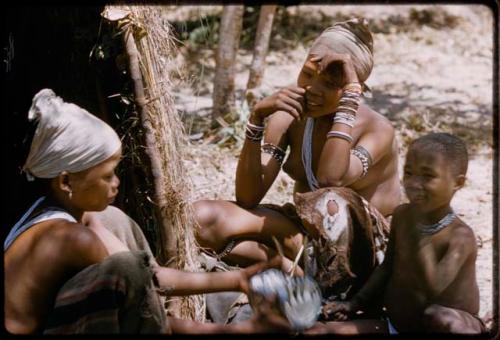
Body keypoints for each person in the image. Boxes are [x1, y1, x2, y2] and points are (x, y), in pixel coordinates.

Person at [4, 89, 289, 334]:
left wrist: (238, 279)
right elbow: (147, 300)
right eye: (107, 176)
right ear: (66, 181)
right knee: (127, 269)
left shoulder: (64, 213)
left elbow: (150, 278)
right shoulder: (74, 240)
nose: (116, 184)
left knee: (112, 223)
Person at [194, 18, 400, 269]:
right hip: (304, 233)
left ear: (353, 89)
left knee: (331, 204)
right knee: (202, 221)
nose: (313, 88)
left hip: (362, 252)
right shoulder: (291, 116)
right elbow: (248, 197)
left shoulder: (378, 130)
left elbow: (329, 182)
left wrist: (349, 101)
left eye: (331, 83)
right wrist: (256, 119)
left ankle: (287, 265)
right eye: (308, 74)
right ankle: (292, 267)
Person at [307, 133, 486, 334]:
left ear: (458, 183)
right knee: (317, 331)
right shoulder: (402, 215)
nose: (414, 183)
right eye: (409, 173)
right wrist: (354, 304)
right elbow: (387, 266)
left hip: (446, 328)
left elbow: (433, 289)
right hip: (399, 326)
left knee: (439, 317)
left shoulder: (460, 237)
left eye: (428, 176)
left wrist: (421, 226)